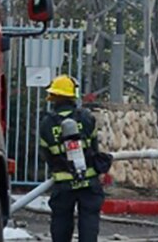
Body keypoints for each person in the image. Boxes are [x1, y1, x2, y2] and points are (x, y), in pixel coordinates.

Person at [39, 74, 106, 242]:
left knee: (61, 222)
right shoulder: (86, 118)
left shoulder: (47, 123)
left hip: (63, 185)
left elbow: (46, 155)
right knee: (89, 221)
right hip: (88, 182)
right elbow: (94, 149)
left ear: (54, 97)